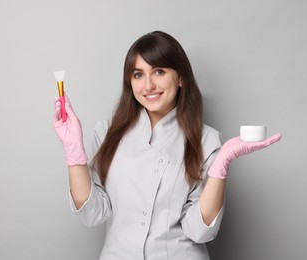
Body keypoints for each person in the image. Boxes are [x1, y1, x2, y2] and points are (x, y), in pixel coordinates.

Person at [53, 31, 282, 260]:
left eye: (159, 72)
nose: (149, 85)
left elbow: (199, 231)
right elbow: (92, 213)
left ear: (181, 78)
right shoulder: (107, 133)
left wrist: (220, 166)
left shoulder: (206, 140)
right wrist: (74, 153)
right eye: (138, 74)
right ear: (130, 82)